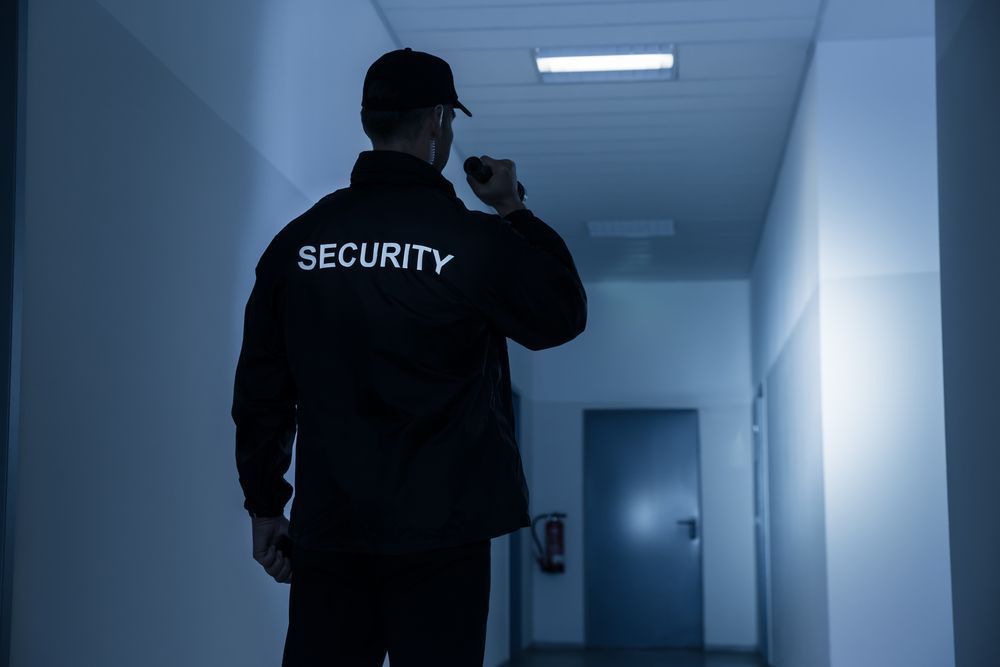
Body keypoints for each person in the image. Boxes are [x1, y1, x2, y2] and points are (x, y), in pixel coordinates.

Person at [232, 47, 587, 666]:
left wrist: (265, 504)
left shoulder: (297, 244)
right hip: (444, 533)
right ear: (438, 124)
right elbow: (560, 314)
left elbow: (262, 390)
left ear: (369, 122)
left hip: (332, 530)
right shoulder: (472, 241)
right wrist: (512, 208)